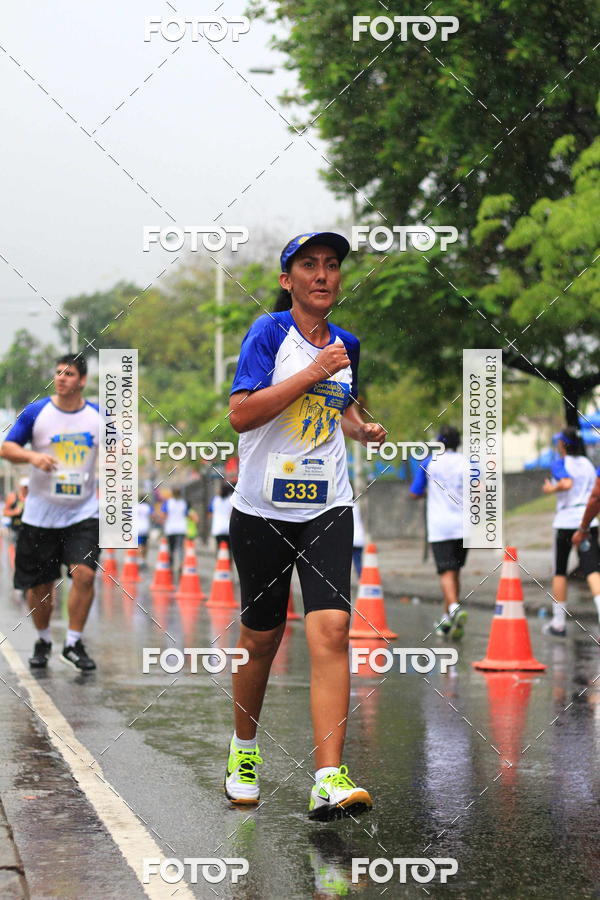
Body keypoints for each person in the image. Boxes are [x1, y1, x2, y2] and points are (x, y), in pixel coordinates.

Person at [225, 231, 386, 821]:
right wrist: (311, 369)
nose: (323, 274)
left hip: (327, 507)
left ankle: (329, 777)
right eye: (308, 265)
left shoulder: (348, 343)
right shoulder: (268, 334)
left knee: (332, 633)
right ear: (286, 280)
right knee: (261, 640)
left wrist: (360, 425)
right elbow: (242, 414)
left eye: (332, 265)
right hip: (262, 511)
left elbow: (337, 402)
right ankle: (244, 753)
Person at [0, 354, 101, 671]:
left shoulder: (99, 417)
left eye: (69, 374)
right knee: (40, 587)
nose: (61, 378)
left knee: (83, 574)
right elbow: (6, 448)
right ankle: (43, 638)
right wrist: (32, 457)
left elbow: (119, 458)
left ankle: (72, 643)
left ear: (82, 381)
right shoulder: (36, 412)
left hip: (82, 513)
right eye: (58, 373)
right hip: (40, 516)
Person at [409, 425, 468, 638]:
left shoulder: (429, 462)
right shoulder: (467, 462)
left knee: (445, 572)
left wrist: (429, 491)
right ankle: (448, 621)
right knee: (455, 572)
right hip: (463, 526)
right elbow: (478, 488)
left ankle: (454, 609)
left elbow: (414, 492)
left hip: (440, 526)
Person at [542, 427, 600, 636]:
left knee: (560, 571)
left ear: (563, 444)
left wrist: (551, 489)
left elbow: (566, 483)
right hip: (588, 521)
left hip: (566, 521)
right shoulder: (587, 464)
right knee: (593, 570)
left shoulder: (560, 463)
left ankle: (558, 623)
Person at [160, 488, 195, 573]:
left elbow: (164, 515)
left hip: (171, 529)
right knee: (180, 548)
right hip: (181, 529)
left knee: (171, 548)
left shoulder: (168, 502)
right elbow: (187, 514)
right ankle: (181, 564)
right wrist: (193, 518)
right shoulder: (183, 503)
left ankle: (171, 566)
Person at [208, 482, 234, 551]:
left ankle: (219, 560)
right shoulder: (231, 499)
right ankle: (229, 561)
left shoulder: (215, 500)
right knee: (229, 549)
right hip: (228, 528)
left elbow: (210, 513)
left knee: (220, 549)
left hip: (218, 528)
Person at [2, 477, 28, 541]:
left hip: (28, 528)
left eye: (27, 487)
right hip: (15, 528)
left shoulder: (32, 498)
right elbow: (4, 512)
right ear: (20, 487)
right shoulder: (13, 497)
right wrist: (15, 512)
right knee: (14, 546)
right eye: (25, 487)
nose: (26, 489)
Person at [136, 495, 153, 562]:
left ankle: (139, 558)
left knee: (138, 544)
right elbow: (152, 516)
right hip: (146, 528)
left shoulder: (135, 506)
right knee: (145, 544)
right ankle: (143, 558)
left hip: (137, 528)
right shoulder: (148, 507)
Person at [352, 501, 365, 577]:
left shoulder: (347, 506)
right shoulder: (356, 506)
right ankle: (361, 578)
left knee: (356, 561)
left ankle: (361, 578)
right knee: (358, 560)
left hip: (353, 538)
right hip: (359, 538)